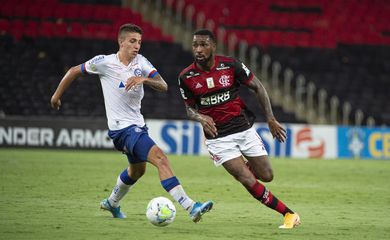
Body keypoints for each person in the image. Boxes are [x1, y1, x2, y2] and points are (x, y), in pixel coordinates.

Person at [50, 23, 213, 222]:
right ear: (121, 41)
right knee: (160, 158)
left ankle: (112, 202)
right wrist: (56, 96)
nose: (137, 46)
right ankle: (190, 206)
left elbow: (163, 85)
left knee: (137, 170)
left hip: (137, 126)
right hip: (122, 129)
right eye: (132, 41)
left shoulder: (141, 62)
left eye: (139, 42)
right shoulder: (104, 62)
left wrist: (143, 79)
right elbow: (75, 70)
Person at [177, 29, 300, 229]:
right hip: (218, 139)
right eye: (195, 45)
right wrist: (200, 117)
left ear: (213, 46)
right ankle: (289, 214)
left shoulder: (230, 65)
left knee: (267, 176)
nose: (198, 49)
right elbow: (189, 110)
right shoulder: (186, 76)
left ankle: (244, 167)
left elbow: (258, 87)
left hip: (243, 129)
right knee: (247, 180)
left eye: (203, 44)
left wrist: (270, 118)